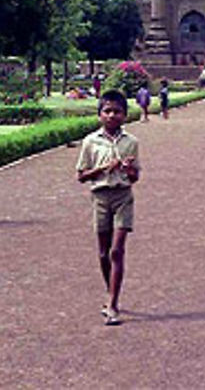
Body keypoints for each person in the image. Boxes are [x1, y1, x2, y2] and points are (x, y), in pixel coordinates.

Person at [75, 90, 141, 326]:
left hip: (123, 196)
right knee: (103, 253)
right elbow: (81, 176)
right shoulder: (91, 142)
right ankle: (110, 290)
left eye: (117, 112)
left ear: (124, 115)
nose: (112, 115)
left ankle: (113, 303)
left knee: (116, 251)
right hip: (101, 196)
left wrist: (127, 169)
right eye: (108, 111)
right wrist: (105, 168)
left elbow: (135, 177)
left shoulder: (131, 142)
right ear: (100, 114)